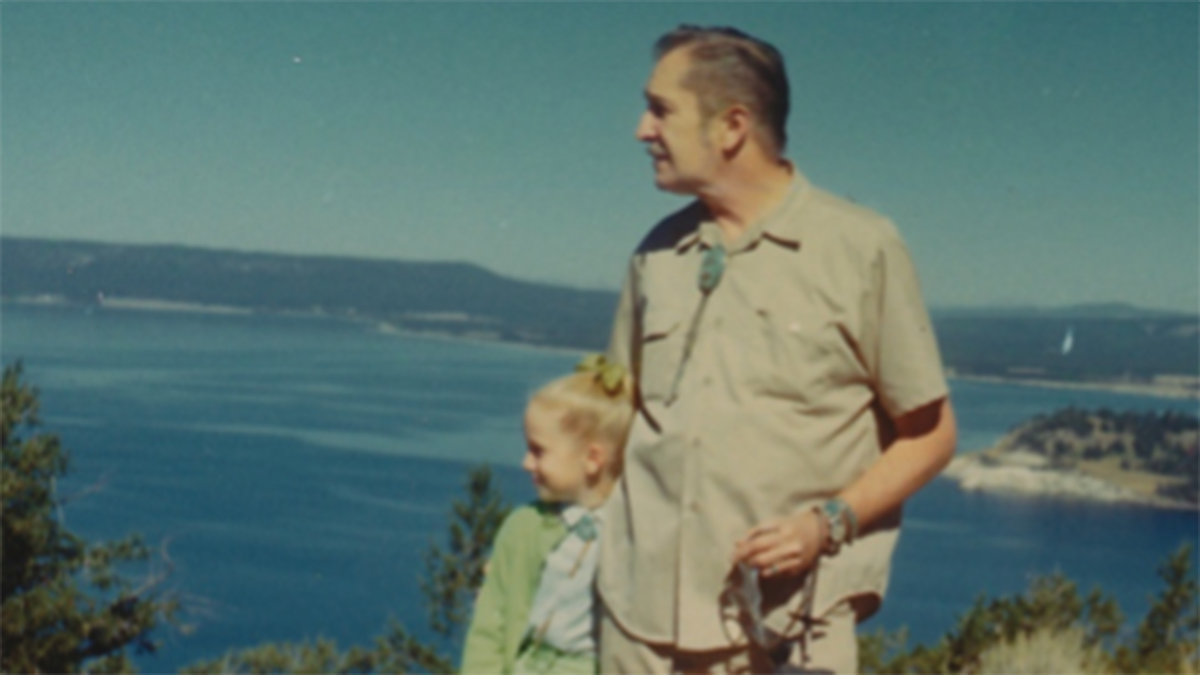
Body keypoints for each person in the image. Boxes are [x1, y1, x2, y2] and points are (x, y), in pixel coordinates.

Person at [599, 25, 958, 674]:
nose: (641, 130)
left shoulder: (861, 248)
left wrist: (828, 523)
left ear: (731, 125)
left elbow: (931, 435)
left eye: (661, 109)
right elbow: (611, 417)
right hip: (636, 625)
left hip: (783, 628)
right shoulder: (655, 253)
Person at [461, 354, 635, 675]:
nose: (526, 463)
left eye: (538, 450)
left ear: (592, 458)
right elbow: (490, 624)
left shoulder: (633, 533)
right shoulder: (524, 526)